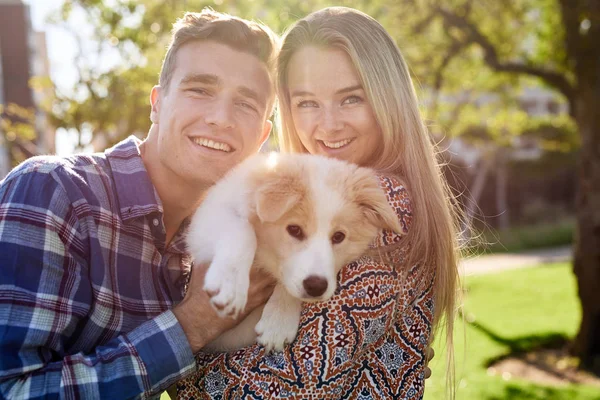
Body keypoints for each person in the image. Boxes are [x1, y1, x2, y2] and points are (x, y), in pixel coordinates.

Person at [176, 6, 460, 400]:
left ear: (387, 98)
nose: (327, 125)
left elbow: (271, 391)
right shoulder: (313, 193)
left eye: (351, 99)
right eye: (307, 102)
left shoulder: (380, 201)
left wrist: (175, 355)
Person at [0, 10, 280, 399]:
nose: (220, 118)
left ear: (262, 136)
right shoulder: (53, 192)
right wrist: (192, 324)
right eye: (200, 89)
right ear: (157, 103)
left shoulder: (221, 243)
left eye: (246, 104)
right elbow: (11, 390)